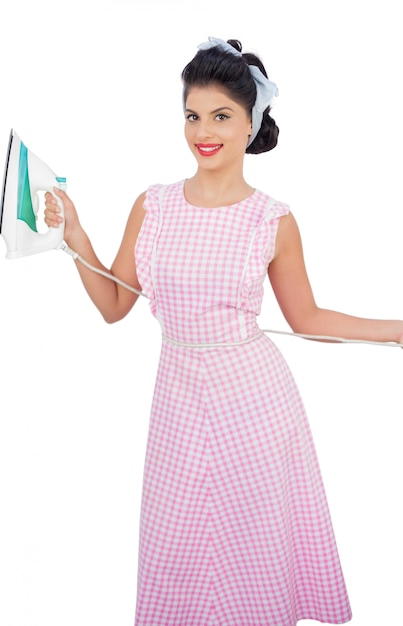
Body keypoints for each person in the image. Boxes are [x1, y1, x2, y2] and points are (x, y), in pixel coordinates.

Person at [45, 37, 403, 626]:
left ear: (249, 124)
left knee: (253, 551)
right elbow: (114, 305)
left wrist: (395, 331)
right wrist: (76, 233)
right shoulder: (152, 205)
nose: (202, 131)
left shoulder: (273, 218)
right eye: (192, 114)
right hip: (177, 405)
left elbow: (307, 319)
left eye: (220, 116)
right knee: (177, 545)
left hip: (256, 406)